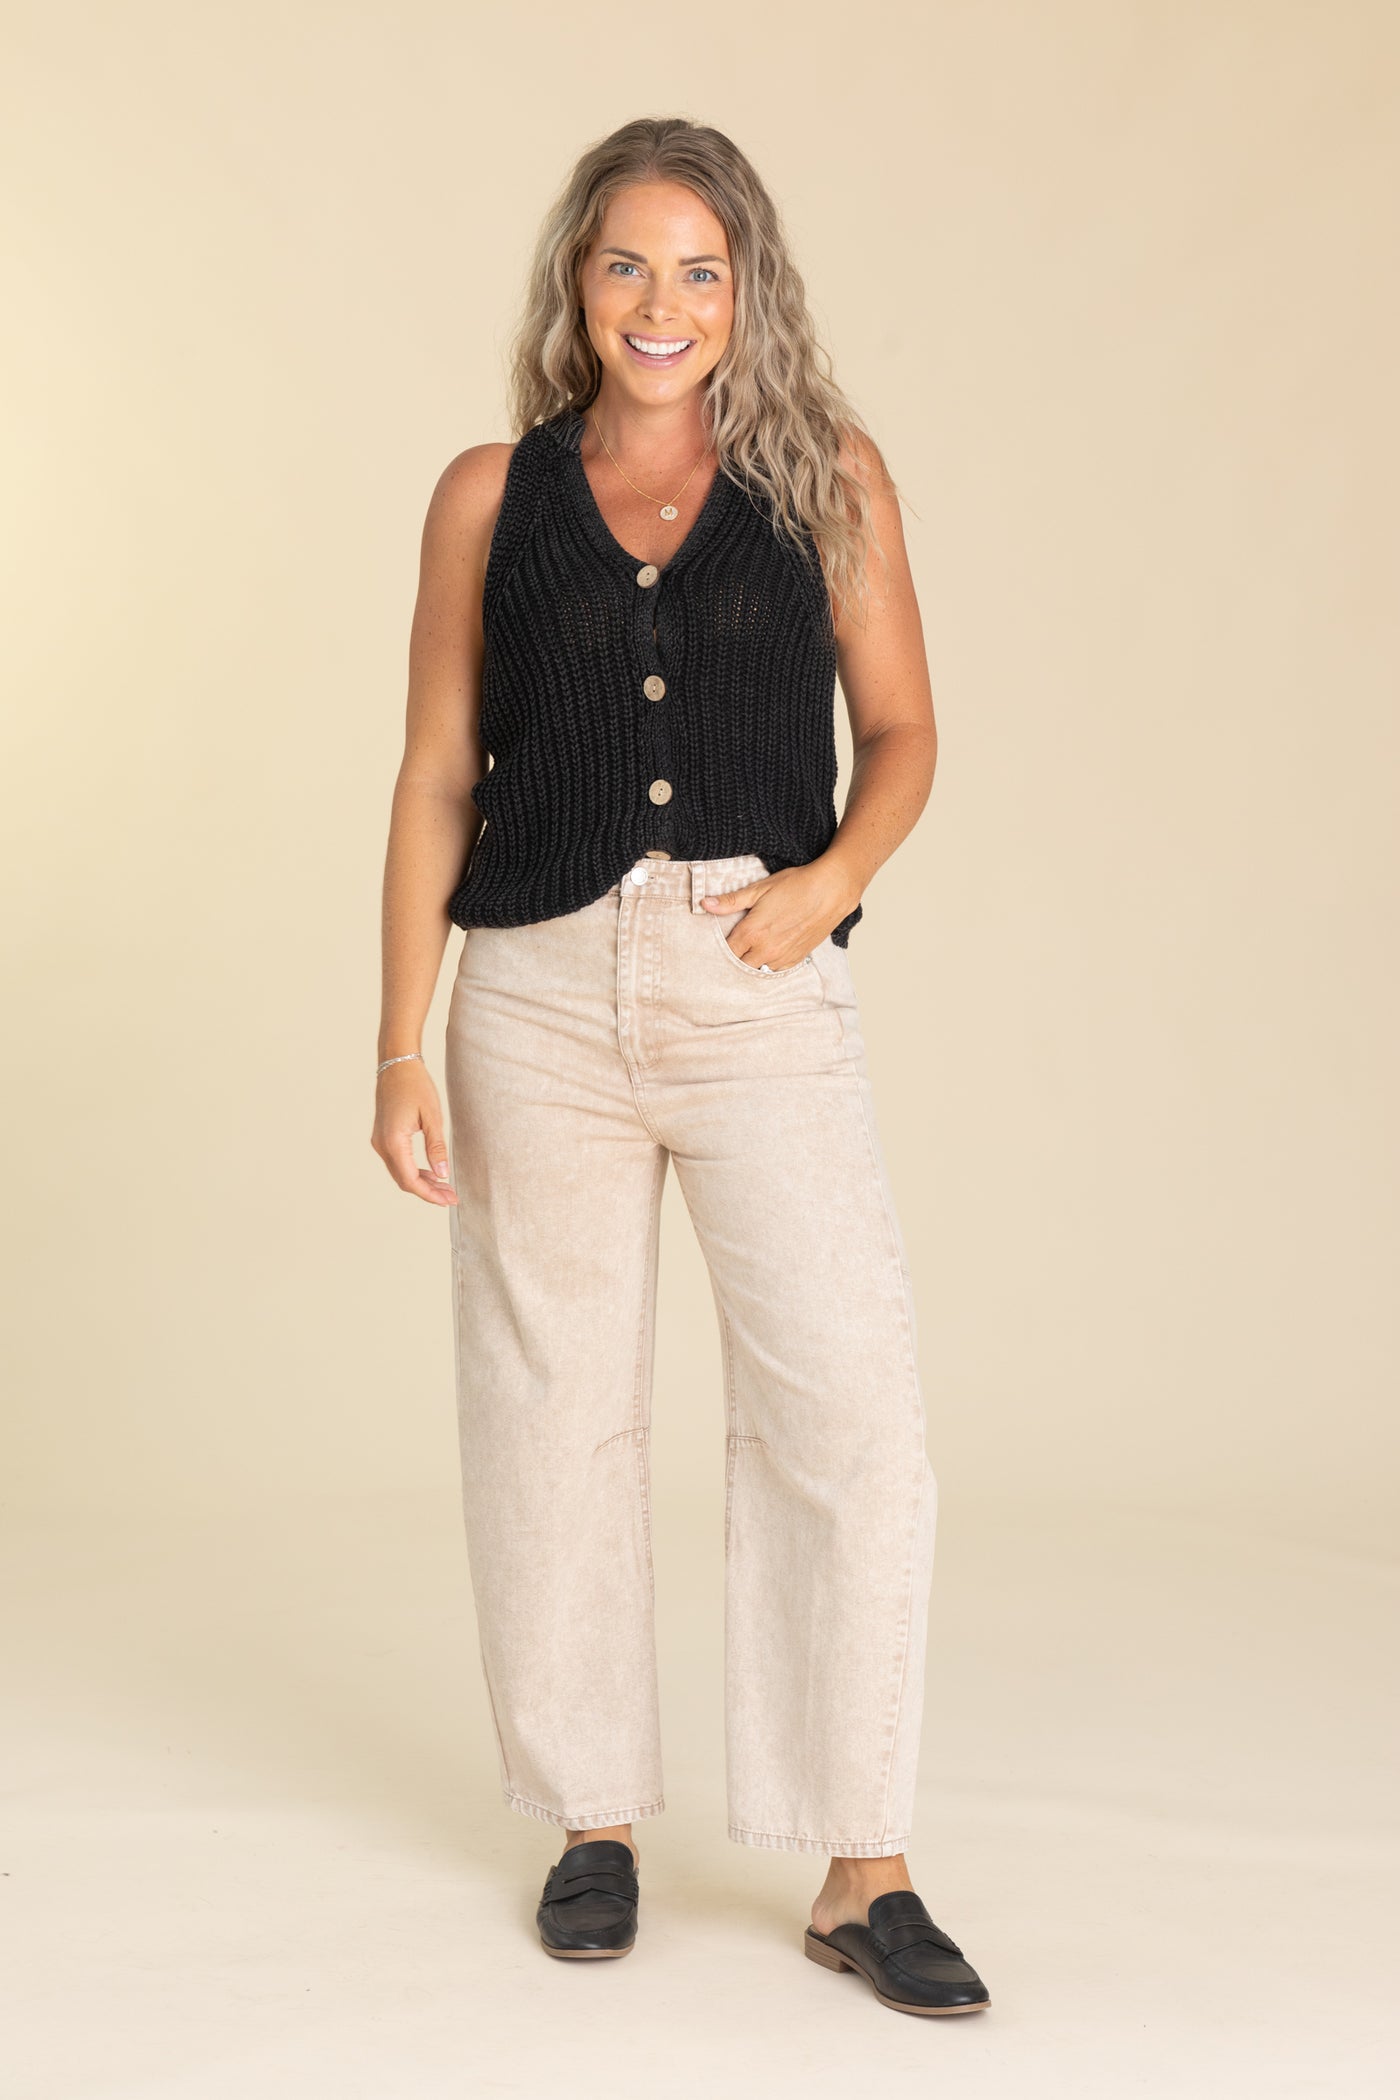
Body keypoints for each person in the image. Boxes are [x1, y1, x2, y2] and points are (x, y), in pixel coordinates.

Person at [370, 116, 990, 2018]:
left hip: (753, 980)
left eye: (699, 270)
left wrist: (833, 882)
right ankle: (594, 1825)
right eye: (627, 264)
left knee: (849, 1410)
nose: (662, 303)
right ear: (579, 282)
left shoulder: (825, 477)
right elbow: (436, 773)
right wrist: (399, 1036)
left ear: (748, 292)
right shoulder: (489, 497)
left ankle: (861, 1865)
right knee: (552, 1407)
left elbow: (904, 731)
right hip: (535, 996)